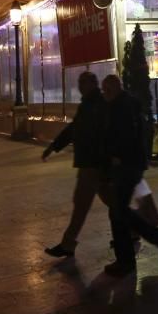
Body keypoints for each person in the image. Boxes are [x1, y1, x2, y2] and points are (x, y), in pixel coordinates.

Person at [100, 74, 158, 278]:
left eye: (107, 90)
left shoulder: (121, 107)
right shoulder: (125, 104)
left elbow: (126, 136)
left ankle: (132, 256)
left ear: (115, 89)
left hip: (126, 166)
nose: (104, 94)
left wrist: (117, 156)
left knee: (118, 212)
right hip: (131, 165)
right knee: (119, 211)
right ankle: (156, 240)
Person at [42, 71, 111, 258]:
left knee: (81, 204)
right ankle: (134, 230)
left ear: (93, 84)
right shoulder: (88, 104)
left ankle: (68, 243)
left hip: (92, 164)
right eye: (79, 82)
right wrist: (54, 147)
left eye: (83, 82)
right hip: (92, 163)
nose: (80, 86)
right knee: (112, 201)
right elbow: (74, 129)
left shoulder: (97, 104)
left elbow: (98, 133)